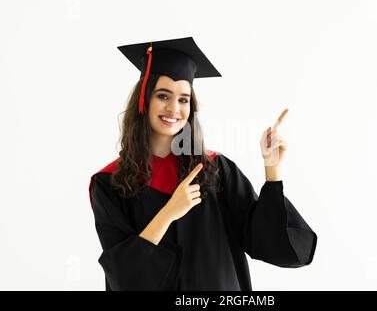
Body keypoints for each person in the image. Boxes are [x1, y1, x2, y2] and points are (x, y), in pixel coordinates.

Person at [88, 36, 317, 291]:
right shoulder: (109, 182)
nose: (174, 108)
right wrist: (168, 212)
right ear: (144, 100)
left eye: (183, 99)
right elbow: (124, 277)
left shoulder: (215, 169)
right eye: (163, 96)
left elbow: (265, 240)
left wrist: (272, 169)